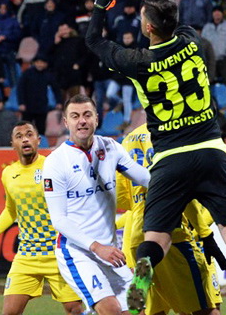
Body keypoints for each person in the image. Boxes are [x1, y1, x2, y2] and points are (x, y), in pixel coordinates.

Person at [86, 0, 226, 313]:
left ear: (147, 27)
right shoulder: (193, 41)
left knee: (157, 236)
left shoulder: (136, 61)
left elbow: (94, 39)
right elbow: (168, 11)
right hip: (212, 149)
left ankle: (145, 266)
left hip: (170, 157)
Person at [42, 95, 151, 315]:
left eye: (87, 115)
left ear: (96, 119)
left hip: (110, 252)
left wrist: (177, 180)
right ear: (66, 122)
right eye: (75, 116)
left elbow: (146, 179)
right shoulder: (56, 161)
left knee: (134, 309)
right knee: (109, 309)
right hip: (78, 252)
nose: (81, 121)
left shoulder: (111, 147)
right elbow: (59, 220)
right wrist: (96, 247)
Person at [0, 120, 84, 315]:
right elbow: (10, 210)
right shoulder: (8, 173)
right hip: (26, 256)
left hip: (58, 252)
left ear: (38, 140)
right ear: (12, 144)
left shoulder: (53, 166)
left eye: (29, 134)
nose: (25, 139)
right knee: (9, 313)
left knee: (74, 310)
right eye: (19, 136)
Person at [117, 123, 225, 315]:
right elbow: (185, 191)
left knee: (154, 311)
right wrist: (204, 232)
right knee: (204, 309)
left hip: (137, 236)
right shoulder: (176, 135)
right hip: (172, 234)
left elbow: (121, 196)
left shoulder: (128, 140)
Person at [17, 55, 60, 136]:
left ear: (45, 64)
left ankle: (40, 147)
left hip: (42, 106)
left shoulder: (48, 74)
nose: (40, 64)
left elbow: (56, 89)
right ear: (34, 63)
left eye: (42, 63)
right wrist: (21, 103)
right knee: (25, 128)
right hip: (28, 106)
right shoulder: (27, 73)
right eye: (38, 62)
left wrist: (58, 102)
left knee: (41, 129)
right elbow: (20, 88)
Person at [201, 7, 226, 84]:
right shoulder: (207, 27)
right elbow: (203, 41)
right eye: (215, 12)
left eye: (219, 12)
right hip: (210, 59)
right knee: (208, 80)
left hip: (223, 58)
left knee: (225, 80)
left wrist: (225, 49)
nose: (217, 14)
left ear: (222, 14)